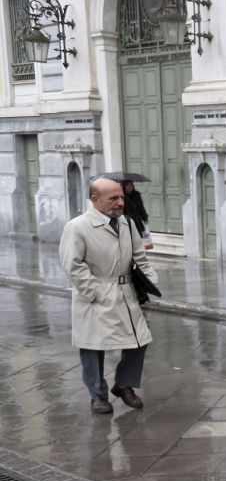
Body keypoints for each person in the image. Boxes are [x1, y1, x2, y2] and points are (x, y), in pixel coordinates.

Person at [58, 177, 157, 414]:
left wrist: (150, 281)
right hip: (95, 293)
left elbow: (139, 257)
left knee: (139, 341)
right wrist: (96, 291)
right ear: (95, 200)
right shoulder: (77, 227)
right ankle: (97, 395)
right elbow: (72, 265)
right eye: (114, 198)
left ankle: (124, 385)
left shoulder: (127, 224)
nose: (121, 202)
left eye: (121, 197)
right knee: (93, 347)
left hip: (125, 292)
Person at [120, 180, 153, 250]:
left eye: (131, 185)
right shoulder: (121, 196)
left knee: (139, 238)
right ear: (124, 186)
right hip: (126, 222)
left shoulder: (136, 195)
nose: (130, 187)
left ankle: (138, 253)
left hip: (137, 221)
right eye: (128, 186)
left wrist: (145, 218)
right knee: (128, 240)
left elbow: (141, 207)